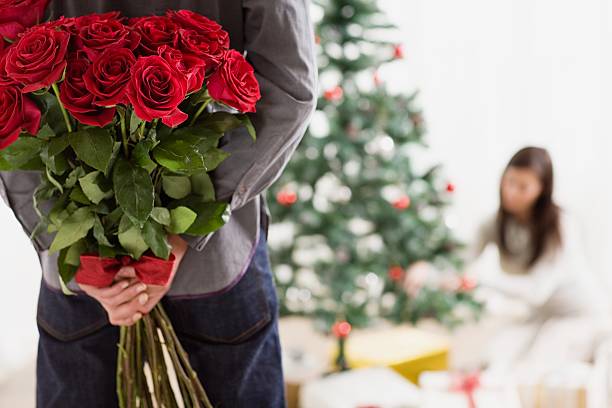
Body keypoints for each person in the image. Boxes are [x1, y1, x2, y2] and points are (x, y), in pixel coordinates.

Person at [0, 1, 317, 407]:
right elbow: (291, 89)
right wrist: (190, 224)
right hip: (214, 259)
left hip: (87, 262)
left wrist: (62, 239)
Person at [460, 146, 610, 374]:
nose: (512, 192)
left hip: (581, 316)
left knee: (535, 366)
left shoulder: (562, 226)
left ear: (542, 189)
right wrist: (429, 272)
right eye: (509, 182)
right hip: (541, 316)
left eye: (523, 187)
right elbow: (460, 261)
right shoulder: (494, 223)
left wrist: (479, 280)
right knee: (495, 354)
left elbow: (536, 291)